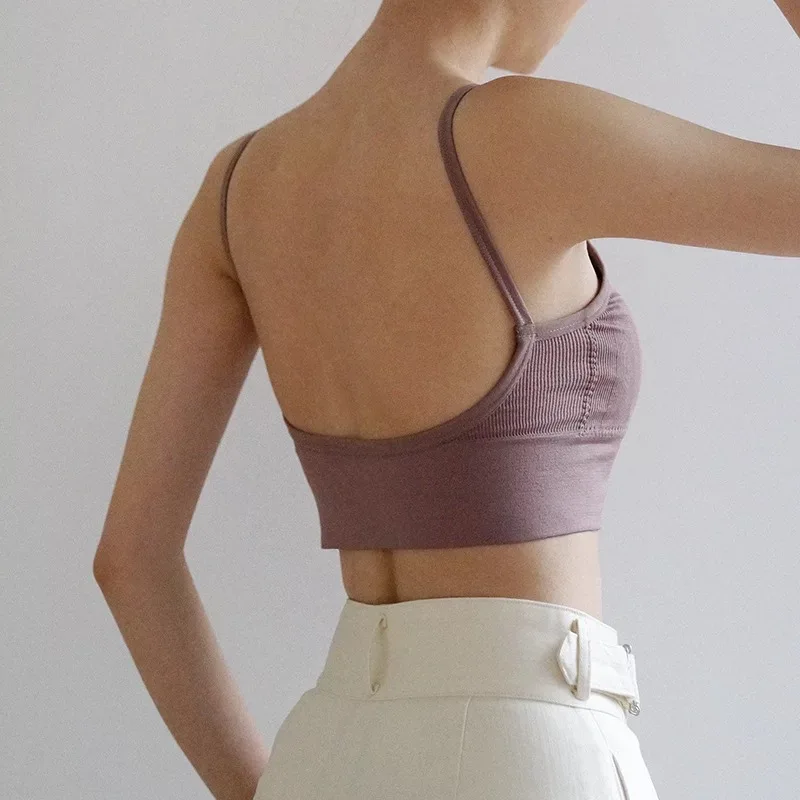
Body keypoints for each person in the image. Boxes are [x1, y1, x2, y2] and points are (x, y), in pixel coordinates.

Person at [93, 1, 800, 798]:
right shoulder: (528, 134)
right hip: (524, 747)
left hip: (324, 747)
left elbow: (132, 560)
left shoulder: (238, 184)